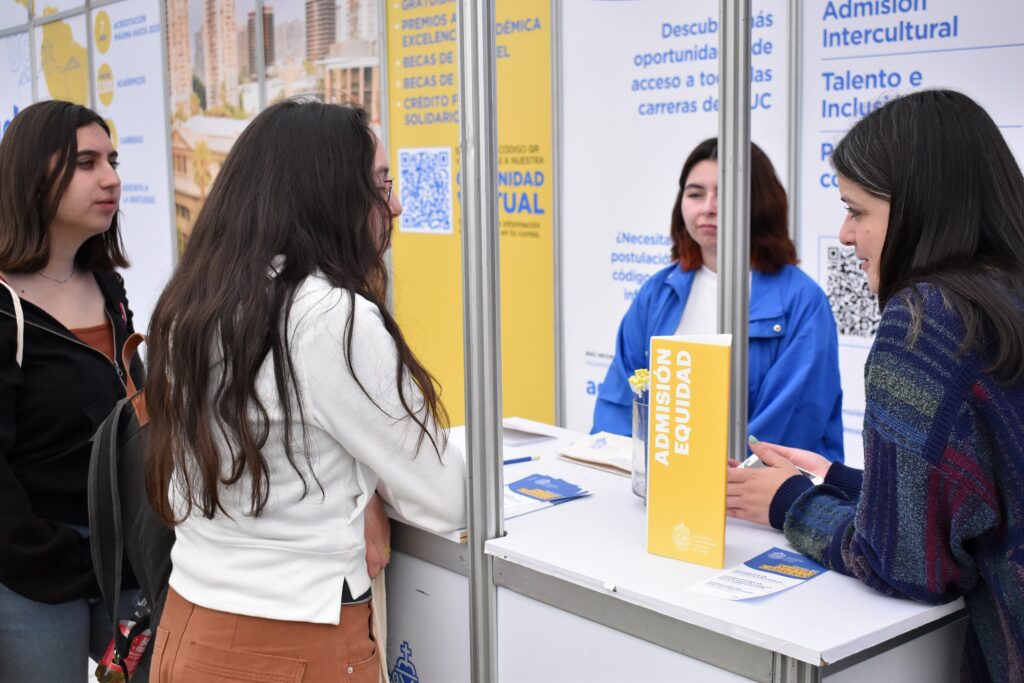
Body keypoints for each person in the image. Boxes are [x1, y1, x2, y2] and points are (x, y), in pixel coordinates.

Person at [145, 99, 467, 682]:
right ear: (326, 194)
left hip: (187, 622)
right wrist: (370, 486)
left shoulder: (194, 305)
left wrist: (358, 486)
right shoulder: (328, 316)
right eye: (379, 184)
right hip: (291, 641)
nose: (395, 204)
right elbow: (444, 495)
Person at [725, 90, 1024, 681]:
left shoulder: (926, 323)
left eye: (857, 211)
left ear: (918, 210)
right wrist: (837, 478)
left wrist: (787, 502)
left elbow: (910, 564)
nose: (843, 235)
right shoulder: (1002, 300)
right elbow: (976, 503)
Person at [0, 100, 143, 678]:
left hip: (127, 555)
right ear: (32, 174)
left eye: (111, 159)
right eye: (86, 163)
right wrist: (49, 554)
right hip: (31, 569)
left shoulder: (108, 285)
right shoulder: (5, 303)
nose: (110, 178)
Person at [593, 139, 844, 462]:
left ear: (759, 202)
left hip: (761, 500)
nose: (708, 207)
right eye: (695, 194)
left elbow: (791, 422)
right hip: (662, 489)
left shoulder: (802, 302)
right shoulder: (657, 292)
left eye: (724, 194)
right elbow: (621, 402)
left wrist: (706, 477)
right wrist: (619, 469)